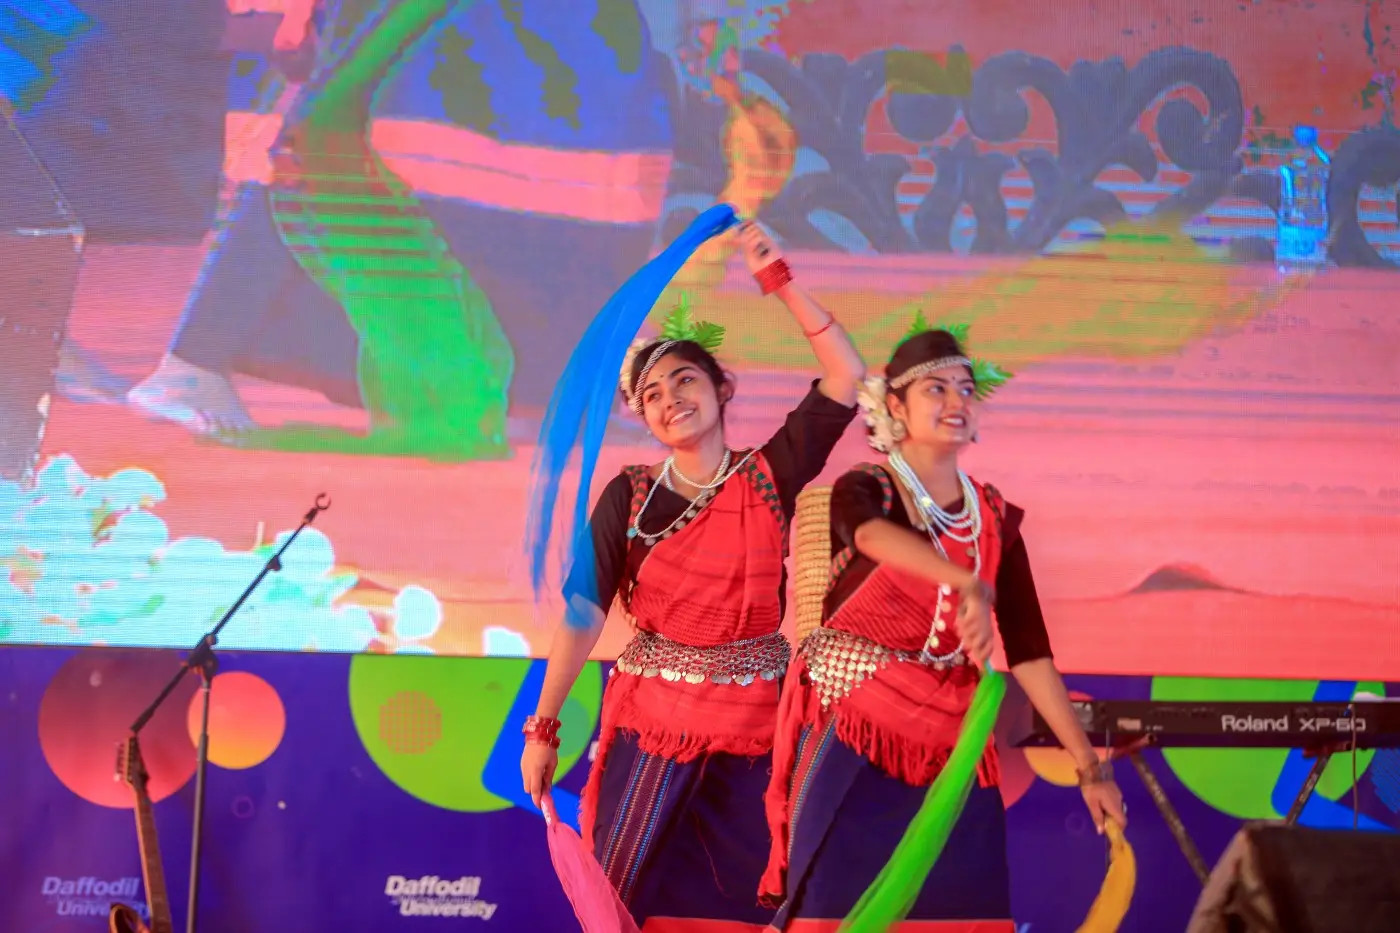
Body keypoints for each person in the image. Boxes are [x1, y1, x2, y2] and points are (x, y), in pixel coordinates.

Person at [520, 221, 864, 927]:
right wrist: (543, 728)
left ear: (721, 387)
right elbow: (584, 613)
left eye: (685, 379)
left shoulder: (770, 475)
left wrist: (780, 282)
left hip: (756, 726)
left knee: (749, 901)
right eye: (652, 393)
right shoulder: (629, 495)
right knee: (624, 895)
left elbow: (845, 377)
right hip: (654, 722)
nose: (671, 397)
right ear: (643, 416)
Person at [760, 323, 1127, 927]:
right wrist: (964, 582)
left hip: (953, 749)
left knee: (960, 913)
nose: (956, 401)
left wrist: (1091, 770)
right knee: (833, 911)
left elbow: (1031, 655)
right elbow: (870, 537)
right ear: (896, 407)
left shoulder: (993, 517)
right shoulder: (868, 489)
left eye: (965, 389)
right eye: (936, 389)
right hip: (856, 730)